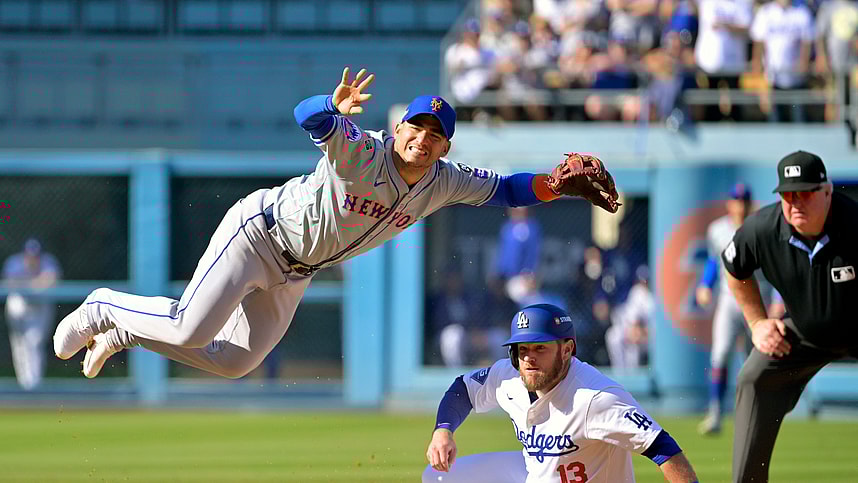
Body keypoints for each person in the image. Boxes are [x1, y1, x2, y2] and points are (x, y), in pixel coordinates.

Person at [53, 66, 619, 380]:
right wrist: (332, 104)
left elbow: (506, 190)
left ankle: (127, 331)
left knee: (235, 362)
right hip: (258, 235)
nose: (421, 139)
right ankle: (105, 305)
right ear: (398, 129)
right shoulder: (361, 151)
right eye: (414, 128)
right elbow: (306, 115)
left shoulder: (444, 179)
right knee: (191, 329)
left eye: (434, 135)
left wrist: (552, 185)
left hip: (297, 270)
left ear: (444, 145)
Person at [423, 303, 699, 483]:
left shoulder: (596, 398)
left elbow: (665, 451)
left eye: (540, 347)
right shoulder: (508, 376)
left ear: (567, 350)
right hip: (538, 474)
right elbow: (463, 389)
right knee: (438, 477)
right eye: (522, 349)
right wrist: (443, 431)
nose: (529, 358)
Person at [723, 151, 858, 482]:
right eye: (788, 194)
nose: (795, 202)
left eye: (806, 192)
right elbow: (733, 268)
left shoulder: (854, 223)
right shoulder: (763, 229)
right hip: (806, 334)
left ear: (827, 191)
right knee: (754, 376)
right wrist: (757, 323)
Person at [696, 182, 760, 435]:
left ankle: (756, 412)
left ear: (750, 204)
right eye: (737, 200)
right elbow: (713, 260)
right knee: (720, 354)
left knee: (755, 360)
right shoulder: (718, 229)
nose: (740, 206)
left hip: (757, 301)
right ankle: (715, 413)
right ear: (730, 203)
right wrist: (705, 284)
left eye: (744, 201)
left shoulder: (760, 227)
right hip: (729, 300)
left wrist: (777, 298)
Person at [3, 238, 61, 390]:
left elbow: (50, 280)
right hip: (19, 304)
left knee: (34, 341)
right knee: (19, 344)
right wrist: (35, 283)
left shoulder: (48, 261)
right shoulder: (14, 262)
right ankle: (24, 383)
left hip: (40, 305)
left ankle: (33, 384)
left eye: (35, 255)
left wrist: (28, 284)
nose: (32, 258)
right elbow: (11, 283)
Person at [605, 264, 653, 371]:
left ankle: (632, 375)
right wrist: (636, 330)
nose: (643, 283)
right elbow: (633, 323)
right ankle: (620, 373)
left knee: (632, 343)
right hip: (636, 332)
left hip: (652, 336)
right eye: (641, 280)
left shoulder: (654, 295)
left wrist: (642, 331)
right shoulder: (637, 291)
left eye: (645, 280)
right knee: (614, 336)